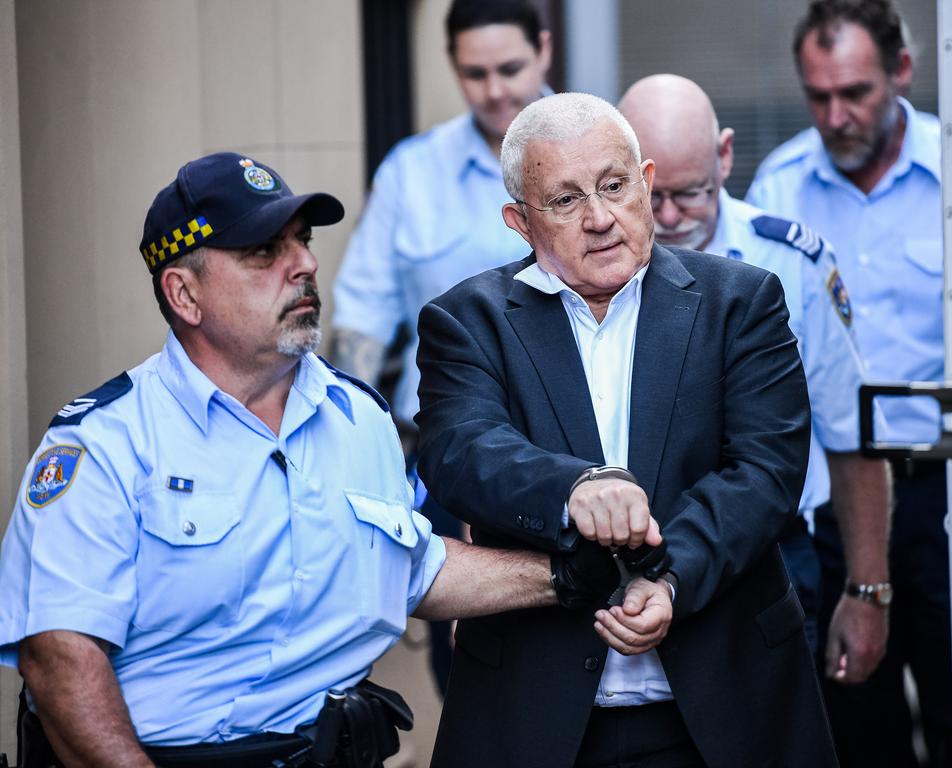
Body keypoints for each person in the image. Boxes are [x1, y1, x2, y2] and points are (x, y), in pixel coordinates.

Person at [0, 152, 623, 768]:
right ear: (184, 294)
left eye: (301, 241)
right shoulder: (105, 443)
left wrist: (570, 575)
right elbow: (60, 658)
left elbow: (408, 570)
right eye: (263, 253)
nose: (305, 264)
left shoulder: (358, 419)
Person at [415, 92, 836, 768]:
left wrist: (670, 581)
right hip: (537, 715)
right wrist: (573, 489)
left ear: (644, 183)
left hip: (728, 705)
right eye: (566, 200)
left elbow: (766, 473)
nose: (600, 218)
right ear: (519, 222)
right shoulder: (468, 321)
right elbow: (458, 449)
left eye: (614, 186)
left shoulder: (741, 301)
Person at [618, 74, 891, 684]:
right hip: (628, 554)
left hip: (775, 552)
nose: (667, 217)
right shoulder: (596, 264)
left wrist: (869, 589)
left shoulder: (792, 262)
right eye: (648, 194)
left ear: (725, 156)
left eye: (690, 194)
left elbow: (851, 438)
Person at [747, 1, 950, 766]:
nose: (836, 115)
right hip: (831, 503)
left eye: (856, 92)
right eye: (818, 95)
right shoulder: (779, 187)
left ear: (902, 70)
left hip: (945, 493)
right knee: (855, 727)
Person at [330, 0, 552, 694]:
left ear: (544, 51)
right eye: (474, 73)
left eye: (511, 68)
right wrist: (355, 458)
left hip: (571, 443)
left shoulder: (593, 147)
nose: (496, 91)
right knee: (464, 664)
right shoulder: (412, 173)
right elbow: (361, 317)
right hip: (448, 457)